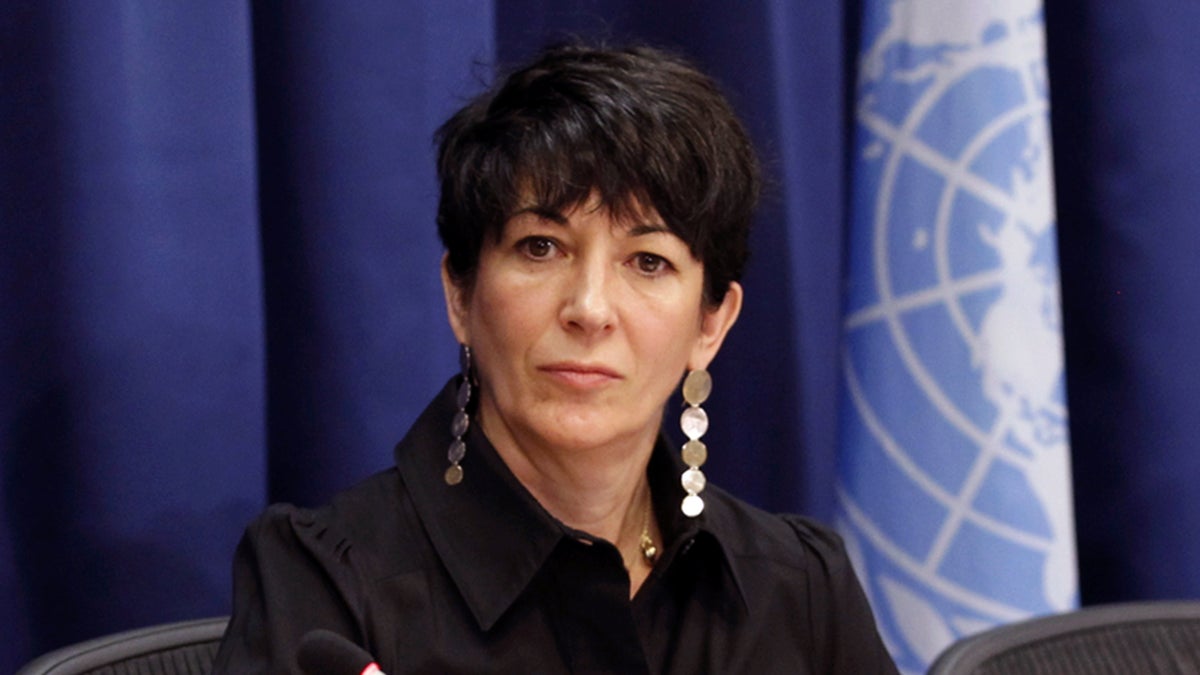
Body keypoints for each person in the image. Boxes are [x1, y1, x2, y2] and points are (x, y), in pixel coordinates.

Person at [213, 42, 898, 674]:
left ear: (711, 323)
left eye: (648, 261)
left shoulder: (800, 586)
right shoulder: (326, 584)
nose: (590, 307)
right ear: (461, 293)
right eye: (541, 247)